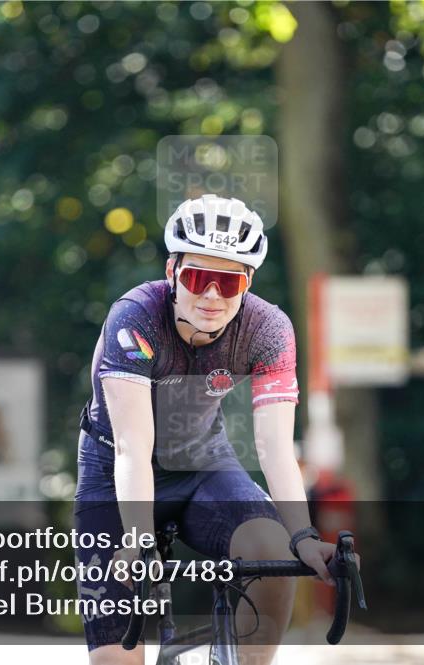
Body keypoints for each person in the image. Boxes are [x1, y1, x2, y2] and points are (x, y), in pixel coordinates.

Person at [74, 194, 354, 664]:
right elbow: (132, 445)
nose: (211, 296)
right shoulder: (135, 316)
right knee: (116, 660)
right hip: (114, 469)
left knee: (271, 543)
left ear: (248, 284)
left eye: (229, 282)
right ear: (172, 273)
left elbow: (274, 446)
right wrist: (139, 541)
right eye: (198, 278)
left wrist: (304, 537)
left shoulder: (268, 329)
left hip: (203, 463)